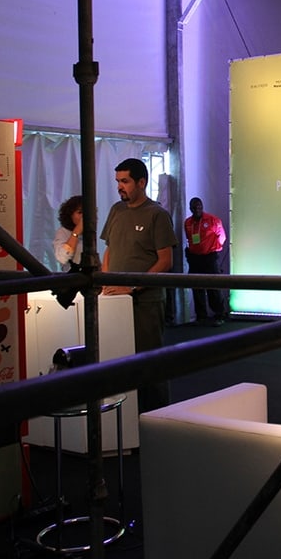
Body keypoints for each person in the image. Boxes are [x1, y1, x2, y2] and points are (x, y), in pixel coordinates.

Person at [100, 158, 177, 413]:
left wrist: (132, 288)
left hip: (146, 302)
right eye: (118, 181)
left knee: (149, 360)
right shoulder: (116, 210)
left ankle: (157, 416)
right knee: (117, 358)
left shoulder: (157, 214)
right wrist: (105, 280)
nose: (120, 187)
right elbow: (109, 250)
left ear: (141, 182)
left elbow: (165, 261)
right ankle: (127, 416)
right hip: (115, 299)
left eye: (125, 181)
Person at [183, 196, 228, 326]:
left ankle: (219, 315)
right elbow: (189, 238)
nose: (197, 209)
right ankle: (201, 316)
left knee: (213, 287)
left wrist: (213, 248)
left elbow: (222, 237)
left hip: (209, 257)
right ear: (191, 208)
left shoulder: (213, 220)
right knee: (197, 287)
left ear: (202, 207)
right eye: (194, 207)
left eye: (199, 207)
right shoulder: (188, 222)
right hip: (194, 258)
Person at [52, 194, 84, 270]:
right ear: (70, 215)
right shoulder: (62, 232)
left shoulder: (90, 233)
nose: (83, 216)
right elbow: (62, 258)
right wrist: (76, 232)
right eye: (80, 212)